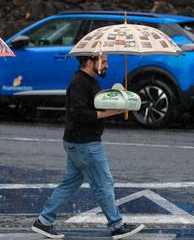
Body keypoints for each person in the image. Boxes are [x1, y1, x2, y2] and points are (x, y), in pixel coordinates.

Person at [31, 54, 145, 239]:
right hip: (85, 143)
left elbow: (94, 104)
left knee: (69, 184)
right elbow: (78, 113)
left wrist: (119, 101)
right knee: (104, 184)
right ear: (91, 62)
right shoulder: (79, 83)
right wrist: (109, 112)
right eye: (104, 61)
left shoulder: (90, 81)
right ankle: (117, 226)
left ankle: (43, 222)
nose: (107, 65)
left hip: (78, 142)